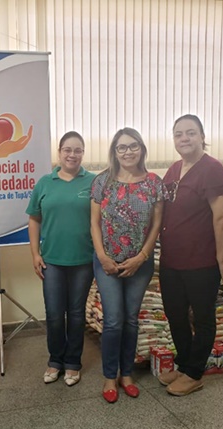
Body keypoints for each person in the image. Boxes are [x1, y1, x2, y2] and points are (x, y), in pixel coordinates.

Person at [158, 114, 223, 396]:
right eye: (178, 134)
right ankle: (184, 363)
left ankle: (194, 372)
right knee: (175, 314)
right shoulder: (174, 169)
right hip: (172, 260)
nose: (184, 138)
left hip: (201, 261)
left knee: (202, 317)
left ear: (202, 136)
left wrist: (221, 258)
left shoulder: (212, 169)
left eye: (191, 133)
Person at [91, 128, 164, 403]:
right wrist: (102, 256)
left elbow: (157, 224)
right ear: (115, 152)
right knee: (112, 321)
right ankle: (110, 375)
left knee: (131, 320)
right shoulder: (102, 182)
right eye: (122, 148)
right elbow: (94, 222)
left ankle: (127, 374)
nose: (128, 152)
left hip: (139, 264)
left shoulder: (154, 183)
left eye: (133, 146)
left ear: (142, 149)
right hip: (106, 261)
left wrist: (142, 256)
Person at [26, 131, 96, 387]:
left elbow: (100, 220)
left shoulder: (93, 182)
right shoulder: (45, 182)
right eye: (67, 149)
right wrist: (35, 253)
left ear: (83, 153)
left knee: (76, 314)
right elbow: (34, 219)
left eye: (77, 150)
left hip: (83, 260)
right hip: (52, 260)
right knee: (55, 314)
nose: (72, 155)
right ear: (59, 152)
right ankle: (55, 360)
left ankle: (73, 363)